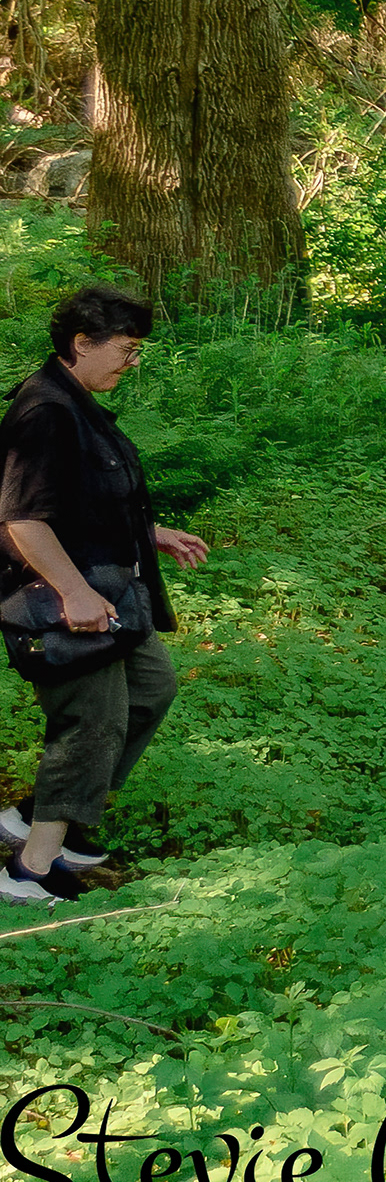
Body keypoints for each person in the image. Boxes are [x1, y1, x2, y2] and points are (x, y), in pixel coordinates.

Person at [0, 286, 203, 901]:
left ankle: (41, 811)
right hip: (62, 600)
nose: (132, 362)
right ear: (80, 344)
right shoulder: (46, 412)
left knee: (149, 690)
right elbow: (22, 521)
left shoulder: (78, 404)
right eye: (126, 349)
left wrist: (150, 532)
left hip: (111, 591)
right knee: (92, 720)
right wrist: (73, 593)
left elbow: (83, 502)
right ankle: (30, 869)